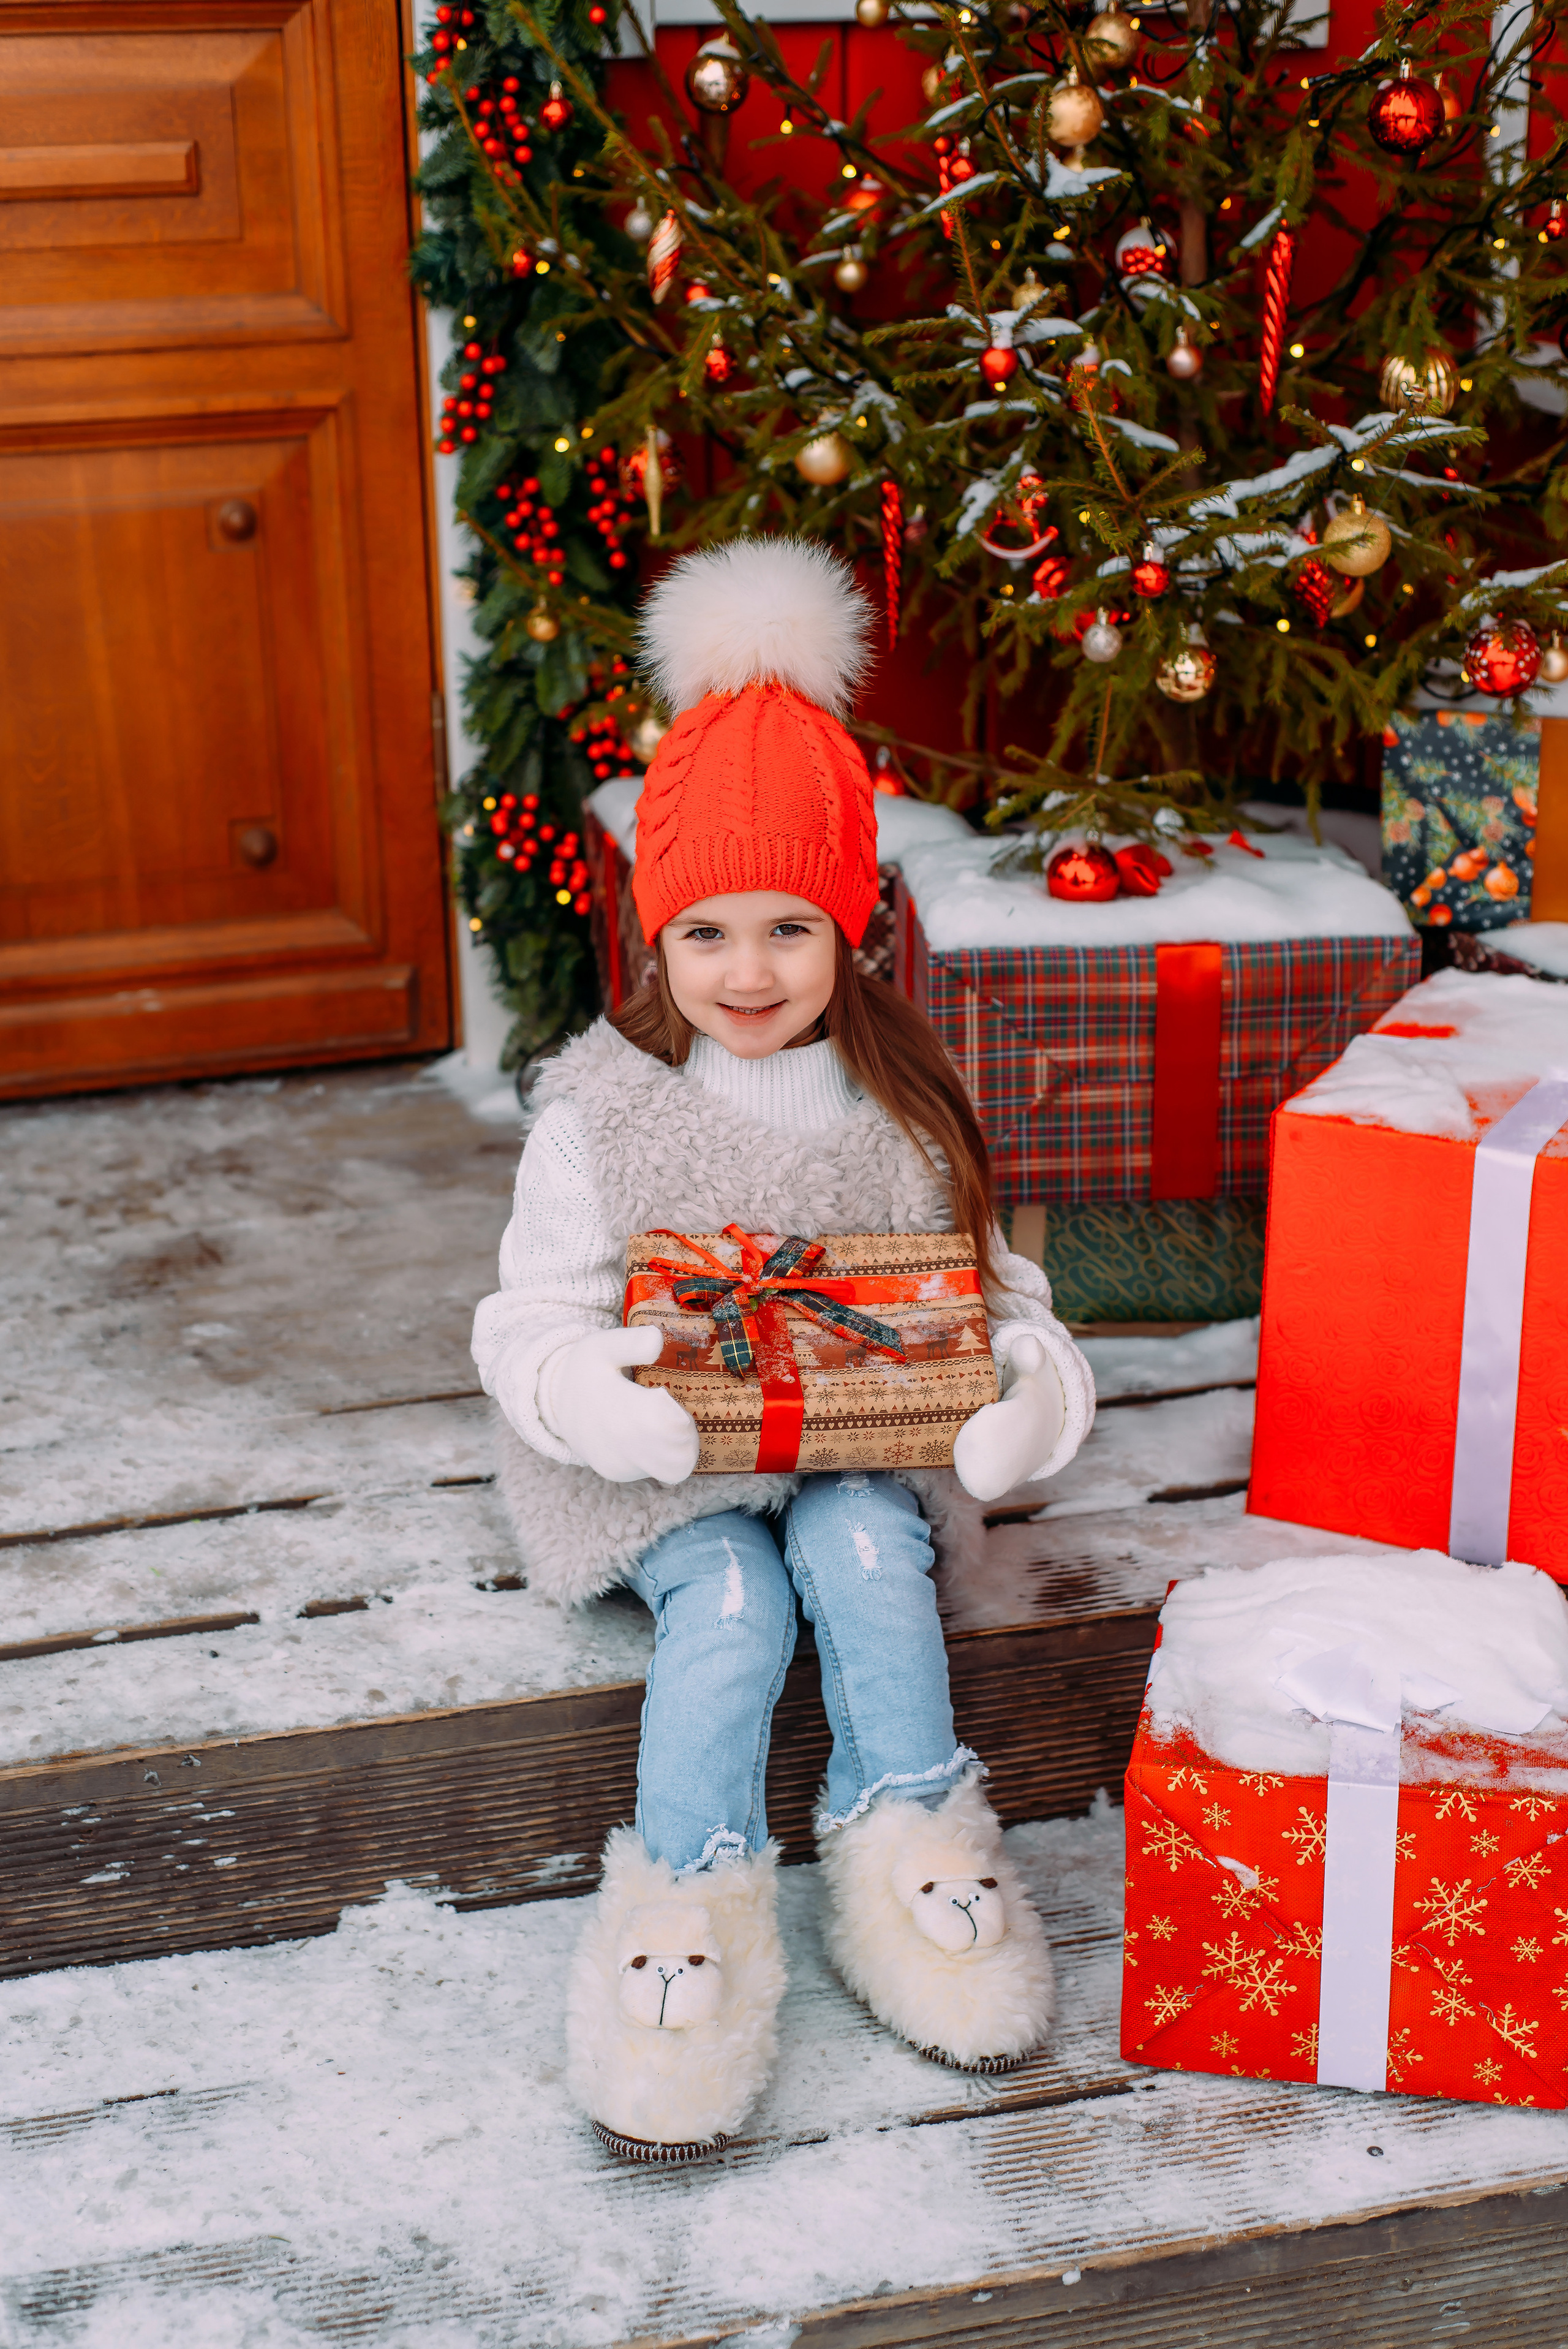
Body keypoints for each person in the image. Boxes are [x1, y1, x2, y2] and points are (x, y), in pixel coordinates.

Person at [472, 537, 1095, 2162]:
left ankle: (910, 1852)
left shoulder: (901, 1103)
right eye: (709, 935)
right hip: (666, 1480)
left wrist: (1027, 1408)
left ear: (854, 926)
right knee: (739, 1603)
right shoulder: (606, 1109)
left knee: (869, 1545)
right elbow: (526, 1313)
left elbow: (1001, 1306)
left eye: (790, 930)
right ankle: (683, 1907)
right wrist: (591, 1396)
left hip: (853, 1450)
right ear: (655, 937)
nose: (749, 974)